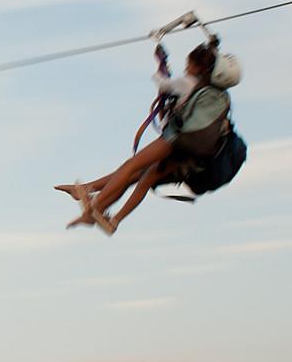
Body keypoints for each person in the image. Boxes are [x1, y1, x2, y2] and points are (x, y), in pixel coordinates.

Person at [55, 41, 224, 235]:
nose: (186, 67)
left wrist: (161, 69)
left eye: (189, 64)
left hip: (177, 141)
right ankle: (109, 216)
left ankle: (92, 204)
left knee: (131, 167)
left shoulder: (187, 83)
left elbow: (163, 84)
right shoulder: (208, 92)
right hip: (192, 154)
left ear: (197, 67)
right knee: (140, 178)